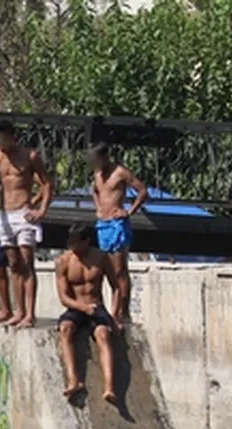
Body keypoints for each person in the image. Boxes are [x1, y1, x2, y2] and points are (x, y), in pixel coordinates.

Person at [0, 121, 53, 329]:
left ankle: (30, 313)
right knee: (13, 264)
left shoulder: (29, 156)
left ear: (12, 137)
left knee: (27, 262)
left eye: (3, 138)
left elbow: (47, 183)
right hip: (5, 216)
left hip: (24, 213)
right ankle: (18, 311)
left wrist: (41, 210)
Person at [56, 223, 123, 404]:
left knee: (103, 334)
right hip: (76, 307)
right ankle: (73, 380)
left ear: (86, 241)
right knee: (65, 329)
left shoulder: (101, 257)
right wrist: (82, 307)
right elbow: (63, 297)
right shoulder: (64, 261)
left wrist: (115, 315)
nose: (74, 248)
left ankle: (109, 387)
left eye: (78, 244)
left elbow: (116, 287)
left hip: (97, 306)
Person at [87, 142, 147, 325]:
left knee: (119, 269)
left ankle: (122, 311)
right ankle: (110, 309)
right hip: (102, 223)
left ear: (105, 157)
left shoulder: (120, 172)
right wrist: (98, 207)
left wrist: (129, 211)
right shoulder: (97, 173)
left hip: (117, 223)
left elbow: (142, 190)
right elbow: (95, 191)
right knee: (104, 270)